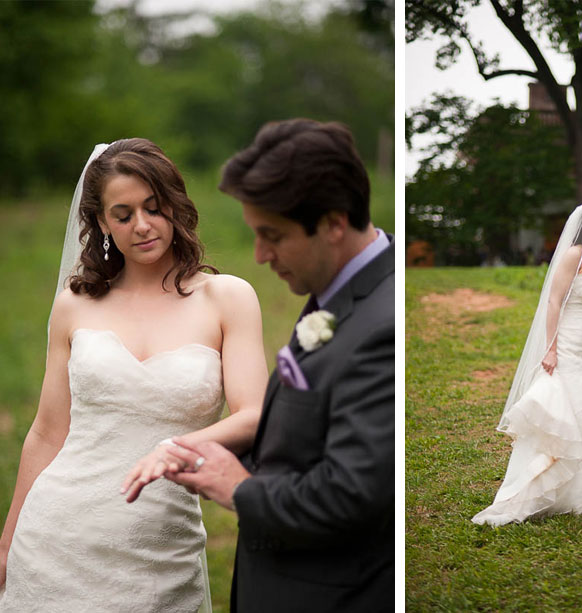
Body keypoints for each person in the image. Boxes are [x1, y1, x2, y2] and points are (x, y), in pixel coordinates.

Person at [0, 138, 269, 611]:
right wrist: (5, 547)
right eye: (123, 214)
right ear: (101, 222)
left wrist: (173, 447)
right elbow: (47, 432)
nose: (142, 225)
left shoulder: (227, 298)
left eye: (154, 208)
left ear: (175, 206)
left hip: (159, 550)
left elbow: (256, 414)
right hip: (55, 535)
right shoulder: (74, 305)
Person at [151, 119, 395, 612]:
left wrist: (242, 489)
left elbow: (353, 494)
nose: (259, 255)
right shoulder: (338, 289)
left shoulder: (383, 325)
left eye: (273, 236)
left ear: (332, 223)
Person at [472, 197, 582, 526]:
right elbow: (553, 302)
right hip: (568, 345)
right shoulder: (574, 255)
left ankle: (578, 491)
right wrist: (551, 348)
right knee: (560, 414)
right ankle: (533, 488)